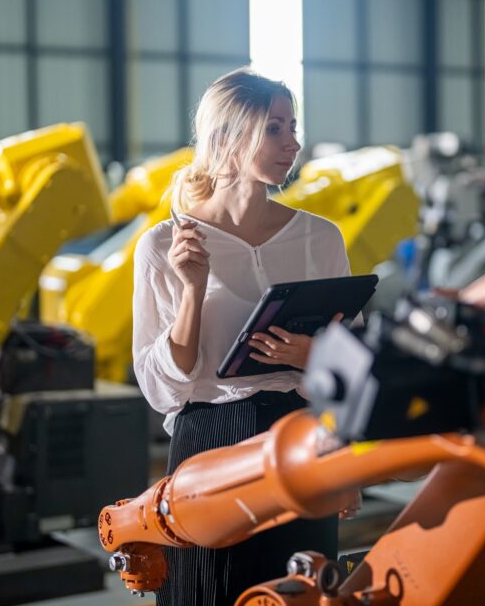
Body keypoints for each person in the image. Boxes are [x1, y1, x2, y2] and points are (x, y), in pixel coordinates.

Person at [132, 68, 348, 605]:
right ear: (227, 137)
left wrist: (312, 356)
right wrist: (191, 290)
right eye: (274, 129)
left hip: (302, 437)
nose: (292, 143)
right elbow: (164, 386)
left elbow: (352, 361)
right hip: (209, 444)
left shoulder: (320, 238)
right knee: (205, 595)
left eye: (292, 127)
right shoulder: (164, 246)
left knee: (303, 592)